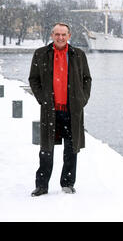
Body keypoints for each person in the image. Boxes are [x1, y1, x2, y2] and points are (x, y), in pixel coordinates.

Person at [28, 22, 92, 197]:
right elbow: (33, 79)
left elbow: (87, 79)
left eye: (64, 34)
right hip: (50, 110)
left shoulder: (78, 55)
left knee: (71, 149)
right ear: (52, 35)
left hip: (72, 110)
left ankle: (67, 183)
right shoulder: (41, 54)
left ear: (69, 36)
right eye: (57, 34)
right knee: (46, 150)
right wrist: (43, 99)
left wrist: (82, 99)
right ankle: (42, 186)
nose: (60, 37)